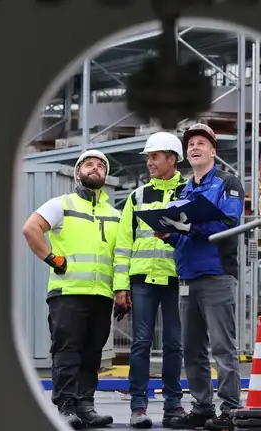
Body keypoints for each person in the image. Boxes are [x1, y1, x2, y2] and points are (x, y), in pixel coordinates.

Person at [22, 149, 120, 430]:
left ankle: (85, 405)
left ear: (105, 175)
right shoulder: (61, 204)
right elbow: (31, 229)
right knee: (67, 351)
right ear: (78, 173)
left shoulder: (114, 214)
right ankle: (65, 406)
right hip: (68, 293)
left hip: (102, 294)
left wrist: (122, 292)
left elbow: (120, 255)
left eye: (101, 165)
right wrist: (52, 258)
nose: (95, 167)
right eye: (89, 164)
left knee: (92, 352)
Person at [157, 123, 245, 431]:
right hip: (188, 277)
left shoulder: (227, 182)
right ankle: (203, 407)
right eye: (191, 144)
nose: (195, 147)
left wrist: (191, 226)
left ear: (213, 151)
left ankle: (230, 410)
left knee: (222, 346)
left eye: (201, 143)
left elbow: (229, 223)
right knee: (191, 347)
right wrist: (168, 233)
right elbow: (183, 235)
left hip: (217, 274)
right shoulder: (183, 189)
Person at [113, 131, 189, 429]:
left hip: (174, 278)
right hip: (142, 279)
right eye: (148, 157)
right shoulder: (138, 196)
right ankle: (138, 408)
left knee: (174, 344)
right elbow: (123, 245)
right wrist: (120, 286)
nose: (149, 162)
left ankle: (173, 406)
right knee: (141, 343)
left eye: (154, 156)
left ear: (172, 159)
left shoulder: (188, 192)